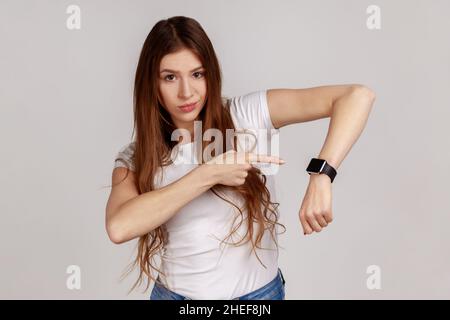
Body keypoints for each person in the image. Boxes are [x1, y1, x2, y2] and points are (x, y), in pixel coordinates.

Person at [105, 15, 286, 300]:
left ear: (210, 74)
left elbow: (355, 97)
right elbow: (119, 227)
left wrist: (323, 174)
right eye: (170, 77)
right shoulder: (137, 157)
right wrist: (209, 174)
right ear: (152, 84)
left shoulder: (245, 114)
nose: (186, 92)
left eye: (197, 74)